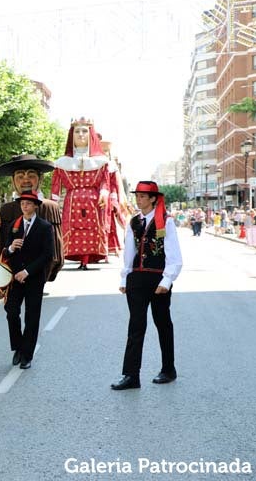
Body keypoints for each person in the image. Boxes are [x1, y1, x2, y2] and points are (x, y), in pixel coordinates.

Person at [111, 181, 183, 390]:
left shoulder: (165, 222)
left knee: (163, 324)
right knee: (136, 326)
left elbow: (174, 255)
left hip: (158, 280)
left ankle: (168, 369)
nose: (139, 199)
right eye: (137, 195)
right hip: (136, 280)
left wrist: (167, 280)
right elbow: (129, 252)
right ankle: (131, 375)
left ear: (153, 198)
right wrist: (125, 278)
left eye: (143, 196)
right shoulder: (133, 222)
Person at [1, 192, 54, 370]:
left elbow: (47, 255)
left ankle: (27, 355)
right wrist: (10, 248)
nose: (24, 206)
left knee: (32, 317)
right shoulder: (14, 225)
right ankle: (18, 346)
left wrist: (27, 271)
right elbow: (5, 251)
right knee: (11, 311)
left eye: (28, 204)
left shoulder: (45, 227)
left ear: (35, 206)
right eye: (22, 203)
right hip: (15, 278)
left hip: (34, 278)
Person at [0, 154, 64, 282]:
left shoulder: (49, 207)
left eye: (31, 176)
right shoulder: (6, 210)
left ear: (40, 179)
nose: (25, 180)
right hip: (13, 274)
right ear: (13, 181)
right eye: (20, 176)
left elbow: (55, 251)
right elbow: (2, 248)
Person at [50, 117, 110, 270]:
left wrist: (104, 192)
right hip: (72, 202)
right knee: (73, 229)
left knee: (92, 229)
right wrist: (52, 203)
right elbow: (56, 185)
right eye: (77, 131)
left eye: (85, 131)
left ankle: (87, 258)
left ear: (91, 135)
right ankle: (77, 256)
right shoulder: (62, 162)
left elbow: (105, 180)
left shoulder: (101, 161)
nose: (81, 134)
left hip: (94, 201)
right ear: (72, 135)